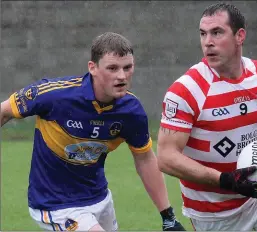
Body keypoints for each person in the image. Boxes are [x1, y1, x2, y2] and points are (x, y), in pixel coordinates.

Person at [0, 32, 185, 231]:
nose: (121, 76)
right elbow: (3, 112)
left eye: (127, 67)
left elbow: (145, 159)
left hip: (99, 198)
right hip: (55, 203)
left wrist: (168, 216)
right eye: (112, 68)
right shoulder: (53, 95)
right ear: (93, 68)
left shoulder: (131, 111)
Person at [157, 3, 257, 231]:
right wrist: (225, 180)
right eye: (203, 34)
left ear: (240, 35)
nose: (207, 41)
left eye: (217, 32)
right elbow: (166, 157)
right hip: (213, 213)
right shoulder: (186, 90)